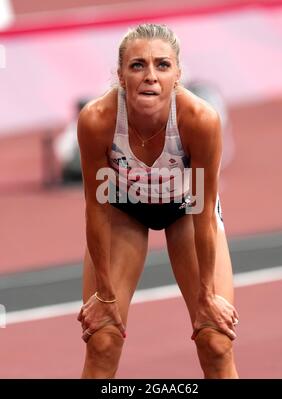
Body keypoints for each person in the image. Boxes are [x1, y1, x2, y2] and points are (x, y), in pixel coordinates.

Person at [77, 23, 239, 379]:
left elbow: (203, 210)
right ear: (120, 75)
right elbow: (96, 208)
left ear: (177, 74)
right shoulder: (98, 120)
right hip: (123, 208)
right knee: (102, 340)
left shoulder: (199, 120)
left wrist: (208, 296)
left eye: (162, 65)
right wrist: (104, 294)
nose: (150, 76)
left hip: (185, 209)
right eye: (138, 65)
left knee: (215, 340)